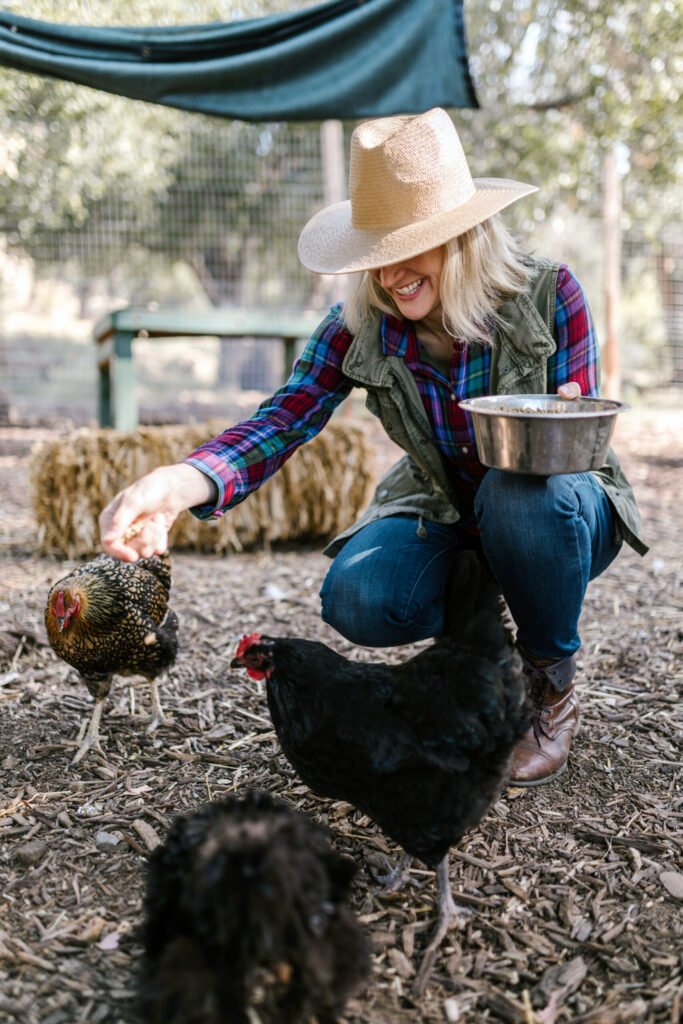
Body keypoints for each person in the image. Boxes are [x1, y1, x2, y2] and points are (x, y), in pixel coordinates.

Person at [99, 107, 647, 786]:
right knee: (358, 597)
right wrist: (181, 483)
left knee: (520, 493)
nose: (389, 273)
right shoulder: (355, 325)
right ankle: (481, 652)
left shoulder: (548, 293)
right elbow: (283, 418)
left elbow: (579, 440)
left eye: (407, 245)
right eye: (376, 252)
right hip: (444, 505)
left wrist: (568, 414)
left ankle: (548, 684)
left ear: (463, 236)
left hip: (556, 509)